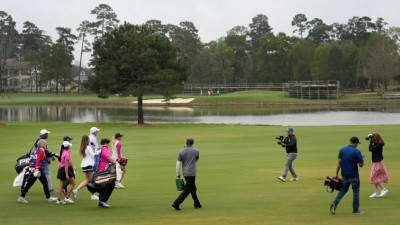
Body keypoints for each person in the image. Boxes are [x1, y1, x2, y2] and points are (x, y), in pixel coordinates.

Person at [330, 137, 364, 215]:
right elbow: (361, 165)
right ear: (356, 143)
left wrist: (336, 173)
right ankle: (355, 210)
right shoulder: (357, 151)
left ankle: (335, 203)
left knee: (343, 190)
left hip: (344, 174)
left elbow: (339, 163)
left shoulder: (342, 150)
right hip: (354, 175)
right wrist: (362, 159)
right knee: (356, 191)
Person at [18, 139, 57, 203]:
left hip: (33, 169)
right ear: (43, 144)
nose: (45, 145)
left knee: (30, 183)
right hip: (38, 169)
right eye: (45, 144)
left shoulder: (34, 151)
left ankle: (22, 197)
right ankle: (48, 197)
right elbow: (38, 161)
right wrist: (37, 169)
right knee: (45, 183)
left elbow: (30, 160)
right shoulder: (41, 151)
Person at [171, 137, 202, 210]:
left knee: (193, 188)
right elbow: (196, 159)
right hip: (192, 173)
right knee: (187, 189)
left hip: (185, 173)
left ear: (186, 142)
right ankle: (176, 203)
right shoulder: (196, 151)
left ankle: (197, 204)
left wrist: (178, 173)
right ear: (193, 143)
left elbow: (178, 163)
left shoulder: (181, 151)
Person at [72, 135, 99, 200]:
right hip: (89, 165)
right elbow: (93, 156)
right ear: (87, 140)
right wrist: (97, 150)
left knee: (87, 180)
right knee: (92, 180)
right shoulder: (88, 147)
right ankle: (93, 195)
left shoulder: (82, 147)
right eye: (89, 139)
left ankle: (76, 191)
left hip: (84, 165)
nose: (89, 140)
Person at [97, 138, 119, 208]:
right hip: (105, 169)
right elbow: (108, 157)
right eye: (108, 143)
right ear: (105, 143)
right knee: (110, 184)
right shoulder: (104, 148)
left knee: (103, 186)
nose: (108, 145)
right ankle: (103, 201)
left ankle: (101, 202)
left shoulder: (98, 148)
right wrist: (116, 163)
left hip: (99, 169)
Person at [35, 129, 57, 194]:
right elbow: (45, 150)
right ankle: (49, 189)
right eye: (46, 134)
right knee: (46, 173)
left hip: (38, 159)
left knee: (36, 174)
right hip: (42, 159)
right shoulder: (41, 141)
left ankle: (24, 188)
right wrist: (51, 156)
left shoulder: (39, 140)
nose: (47, 135)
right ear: (43, 135)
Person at [367, 133, 389, 198]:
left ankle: (384, 189)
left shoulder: (379, 145)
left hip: (378, 163)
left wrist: (370, 141)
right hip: (375, 162)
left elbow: (370, 149)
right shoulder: (377, 144)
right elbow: (371, 148)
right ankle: (376, 193)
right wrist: (370, 139)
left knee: (373, 177)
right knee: (374, 177)